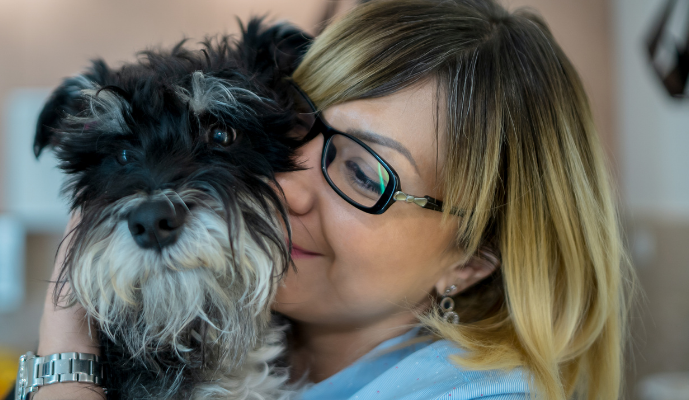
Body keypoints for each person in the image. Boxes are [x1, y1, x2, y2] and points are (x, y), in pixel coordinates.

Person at [33, 1, 633, 399]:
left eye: (367, 176)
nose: (288, 190)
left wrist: (63, 361)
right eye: (297, 135)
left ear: (470, 259)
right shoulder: (219, 344)